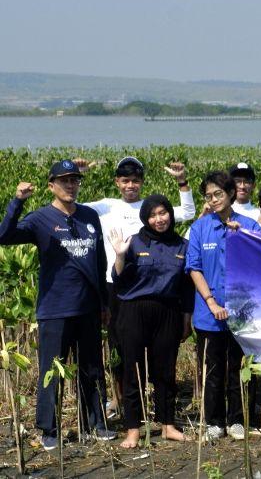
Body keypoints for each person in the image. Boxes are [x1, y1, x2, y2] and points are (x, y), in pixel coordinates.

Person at [0, 160, 115, 450]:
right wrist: (17, 201)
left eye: (74, 180)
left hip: (88, 308)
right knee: (51, 372)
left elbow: (99, 261)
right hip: (55, 310)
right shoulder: (40, 218)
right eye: (64, 181)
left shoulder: (89, 215)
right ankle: (49, 430)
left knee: (92, 369)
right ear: (51, 185)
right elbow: (4, 236)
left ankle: (97, 423)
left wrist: (103, 303)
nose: (70, 185)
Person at [81, 156, 195, 412]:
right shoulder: (105, 206)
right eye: (125, 180)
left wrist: (182, 182)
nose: (130, 185)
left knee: (154, 346)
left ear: (142, 183)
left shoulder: (152, 209)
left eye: (135, 180)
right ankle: (120, 398)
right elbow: (73, 206)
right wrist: (80, 174)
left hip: (151, 288)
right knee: (119, 345)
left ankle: (154, 400)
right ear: (117, 182)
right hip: (116, 285)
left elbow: (188, 212)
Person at [110, 194, 192, 448]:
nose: (159, 219)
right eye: (153, 215)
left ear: (170, 214)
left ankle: (167, 425)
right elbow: (119, 280)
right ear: (145, 218)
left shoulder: (182, 245)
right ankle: (133, 428)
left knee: (165, 371)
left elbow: (187, 287)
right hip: (134, 311)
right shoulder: (133, 242)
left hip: (168, 312)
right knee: (133, 370)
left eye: (163, 213)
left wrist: (186, 319)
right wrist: (120, 256)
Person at [186, 171, 261, 441]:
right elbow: (194, 268)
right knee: (214, 369)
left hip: (243, 313)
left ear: (230, 193)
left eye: (218, 193)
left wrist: (243, 240)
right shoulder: (200, 227)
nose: (214, 199)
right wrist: (211, 302)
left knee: (240, 368)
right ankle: (215, 421)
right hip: (210, 314)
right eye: (208, 196)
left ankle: (238, 419)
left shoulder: (250, 226)